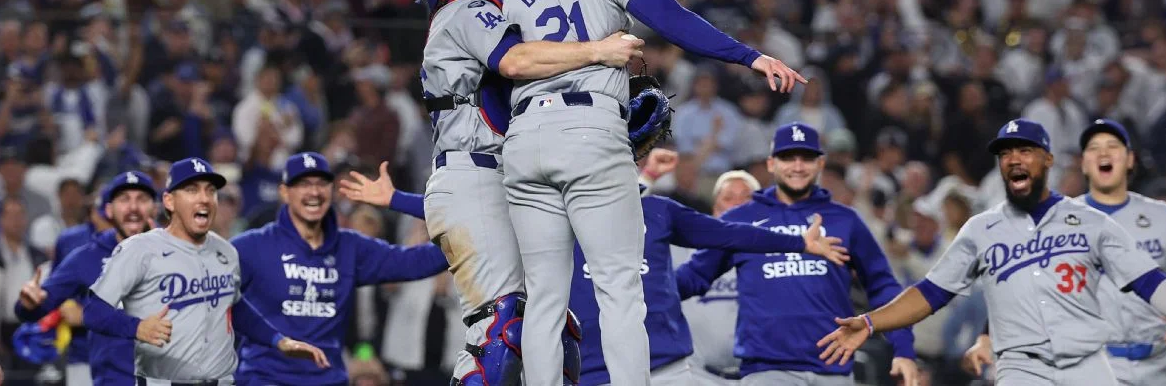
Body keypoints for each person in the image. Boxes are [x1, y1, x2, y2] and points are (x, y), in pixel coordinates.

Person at [497, 0, 805, 384]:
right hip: (587, 126)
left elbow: (504, 65)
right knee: (620, 288)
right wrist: (750, 55)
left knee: (545, 298)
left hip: (525, 133)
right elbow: (673, 21)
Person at [391, 0, 643, 386]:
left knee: (547, 330)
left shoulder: (475, 12)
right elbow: (516, 62)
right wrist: (600, 51)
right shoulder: (466, 8)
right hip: (476, 177)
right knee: (501, 331)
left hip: (491, 175)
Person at [817, 119, 1166, 386]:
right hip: (1022, 370)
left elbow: (1151, 282)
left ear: (1047, 160)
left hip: (1090, 366)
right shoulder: (981, 229)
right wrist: (872, 322)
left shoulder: (1091, 222)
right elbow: (930, 293)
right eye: (1006, 153)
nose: (1014, 159)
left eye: (1025, 151)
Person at [336, 151, 848, 386]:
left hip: (674, 372)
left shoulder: (657, 211)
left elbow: (732, 233)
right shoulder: (545, 216)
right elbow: (476, 222)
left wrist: (798, 242)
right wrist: (396, 199)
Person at [961, 119, 1166, 385]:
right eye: (1094, 148)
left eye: (1112, 146)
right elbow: (1020, 290)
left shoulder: (1164, 216)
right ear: (1083, 164)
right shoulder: (1056, 220)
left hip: (1157, 363)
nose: (1104, 154)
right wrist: (986, 336)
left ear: (1131, 160)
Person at [674, 122, 920, 385]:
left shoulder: (845, 220)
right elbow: (694, 276)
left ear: (821, 164)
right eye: (788, 157)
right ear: (771, 164)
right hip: (767, 371)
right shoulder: (741, 218)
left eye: (807, 158)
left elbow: (883, 287)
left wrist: (903, 348)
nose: (798, 166)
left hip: (834, 369)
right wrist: (644, 292)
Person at [80, 157, 330, 385]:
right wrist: (136, 327)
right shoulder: (140, 249)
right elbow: (93, 311)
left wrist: (279, 341)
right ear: (169, 200)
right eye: (191, 190)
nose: (204, 198)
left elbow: (233, 306)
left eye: (210, 190)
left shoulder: (226, 250)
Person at [231, 152, 451, 385]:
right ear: (284, 192)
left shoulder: (349, 248)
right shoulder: (250, 248)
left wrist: (396, 199)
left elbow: (424, 260)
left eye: (321, 183)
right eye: (303, 184)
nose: (314, 192)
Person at [14, 171, 160, 386]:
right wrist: (28, 303)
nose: (133, 208)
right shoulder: (86, 257)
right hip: (112, 380)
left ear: (154, 208)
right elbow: (36, 308)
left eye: (142, 199)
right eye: (124, 199)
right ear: (109, 209)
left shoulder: (175, 252)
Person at [676, 170, 761, 385]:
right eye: (729, 198)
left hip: (762, 376)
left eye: (746, 198)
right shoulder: (688, 251)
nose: (738, 205)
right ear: (715, 210)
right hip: (699, 376)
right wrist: (647, 177)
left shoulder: (777, 258)